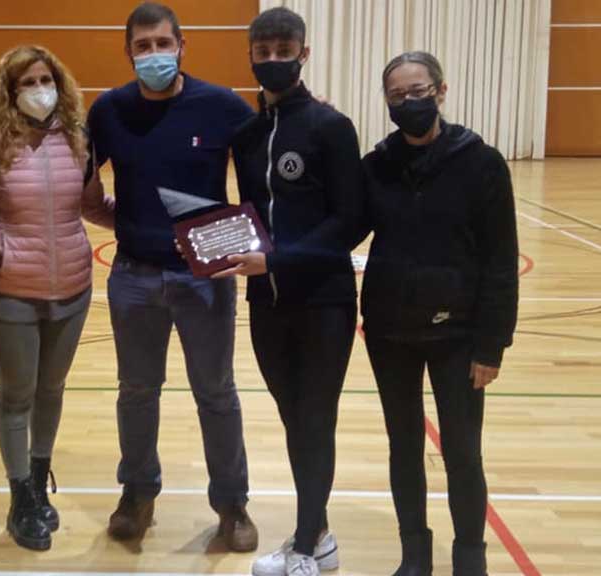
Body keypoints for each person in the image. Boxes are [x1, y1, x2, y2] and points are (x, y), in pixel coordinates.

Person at [87, 1, 258, 551]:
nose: (154, 54)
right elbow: (85, 189)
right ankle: (137, 494)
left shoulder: (221, 106)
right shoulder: (109, 110)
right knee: (137, 392)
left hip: (204, 278)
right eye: (143, 46)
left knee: (216, 392)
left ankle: (231, 504)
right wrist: (130, 223)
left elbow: (269, 161)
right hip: (133, 277)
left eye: (163, 43)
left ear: (182, 46)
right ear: (129, 52)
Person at [359, 51, 519, 576]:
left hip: (459, 334)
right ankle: (415, 554)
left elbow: (501, 260)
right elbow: (342, 226)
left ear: (441, 92)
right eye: (397, 95)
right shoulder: (377, 166)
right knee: (404, 445)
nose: (409, 102)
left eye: (418, 91)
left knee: (463, 450)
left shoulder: (481, 162)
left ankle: (470, 557)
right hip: (389, 332)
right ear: (386, 102)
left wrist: (492, 344)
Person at [220, 7, 363, 576]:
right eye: (264, 52)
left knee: (315, 418)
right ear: (251, 56)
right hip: (268, 304)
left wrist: (279, 260)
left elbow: (351, 220)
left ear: (304, 54)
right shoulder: (248, 136)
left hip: (325, 302)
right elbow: (252, 215)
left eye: (285, 51)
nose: (274, 60)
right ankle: (319, 535)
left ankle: (305, 544)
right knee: (293, 417)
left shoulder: (331, 127)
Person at [0, 44, 114, 551]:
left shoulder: (79, 139)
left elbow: (92, 204)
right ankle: (19, 499)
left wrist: (149, 227)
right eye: (26, 83)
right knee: (17, 395)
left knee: (51, 389)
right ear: (8, 92)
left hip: (72, 288)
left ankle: (36, 480)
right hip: (9, 291)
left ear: (59, 84)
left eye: (44, 80)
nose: (38, 90)